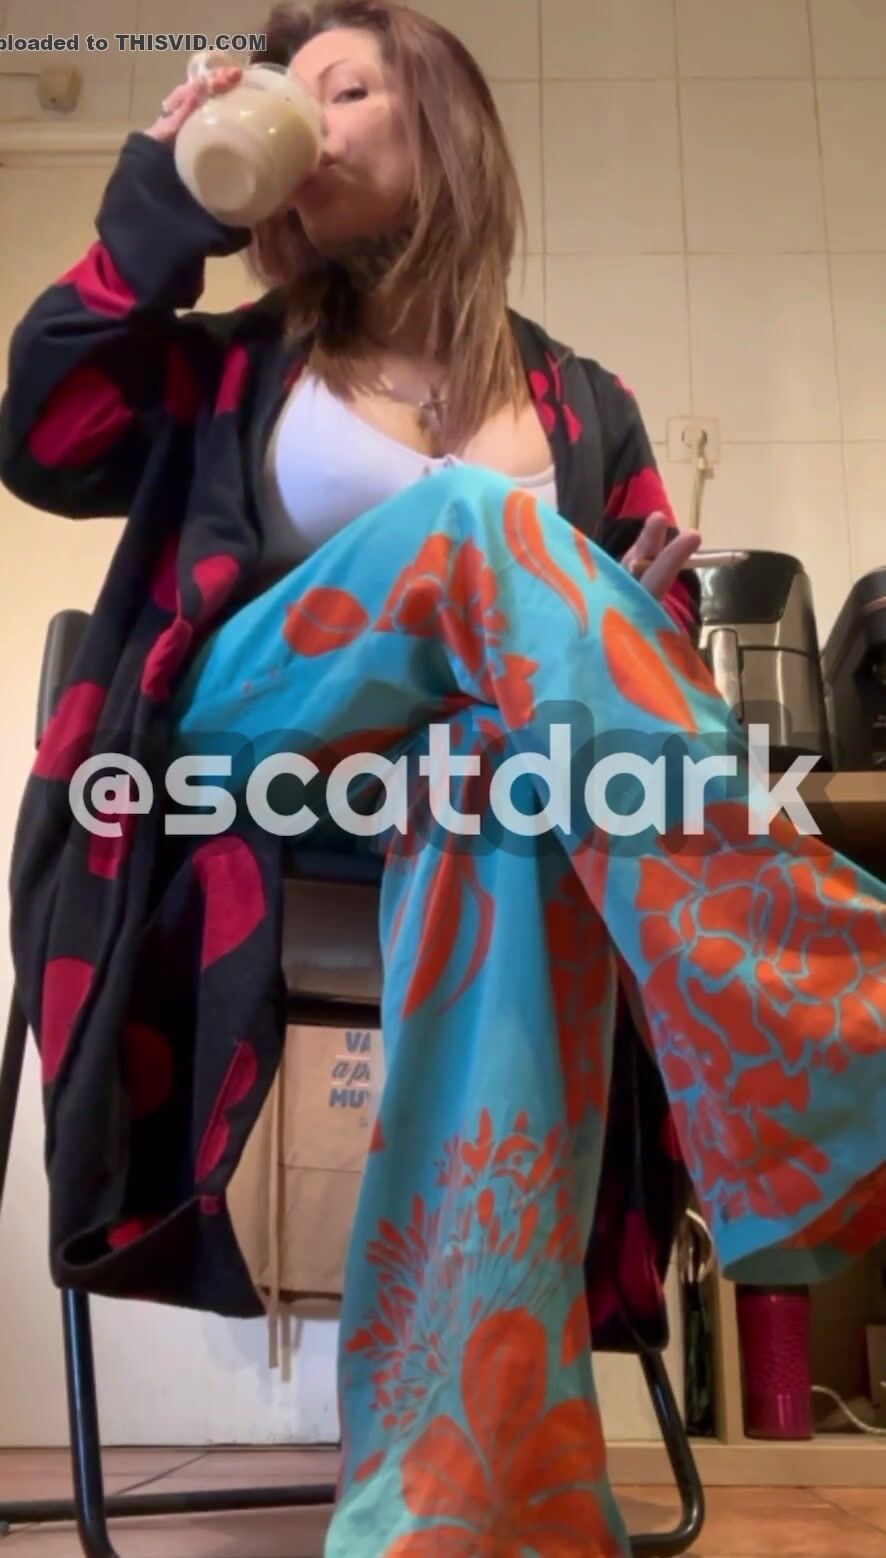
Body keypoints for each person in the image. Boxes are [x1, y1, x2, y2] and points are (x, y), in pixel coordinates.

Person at [1, 3, 883, 1554]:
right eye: (291, 98)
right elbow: (46, 435)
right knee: (478, 528)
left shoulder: (581, 400)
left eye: (345, 88)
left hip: (457, 798)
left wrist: (621, 604)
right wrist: (160, 199)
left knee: (496, 792)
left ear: (445, 124)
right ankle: (835, 1014)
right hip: (239, 772)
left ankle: (466, 1491)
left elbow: (649, 638)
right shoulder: (236, 362)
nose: (310, 123)